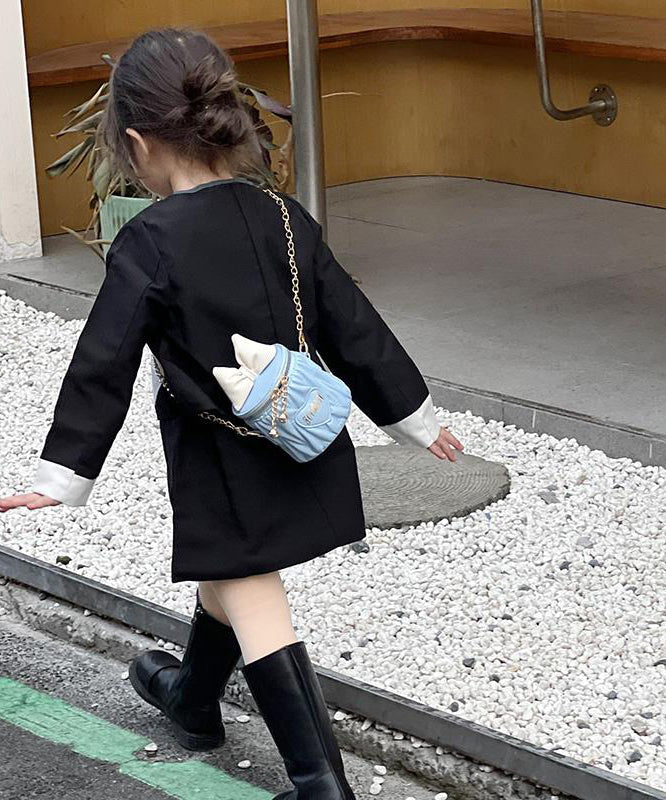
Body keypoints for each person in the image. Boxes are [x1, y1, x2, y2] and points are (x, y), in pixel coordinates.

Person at [0, 28, 464, 799]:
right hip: (300, 439)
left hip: (220, 457)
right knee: (226, 568)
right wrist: (413, 417)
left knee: (256, 597)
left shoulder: (149, 241)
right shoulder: (282, 216)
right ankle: (192, 697)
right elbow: (354, 326)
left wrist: (63, 474)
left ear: (137, 143)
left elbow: (103, 361)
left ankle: (321, 785)